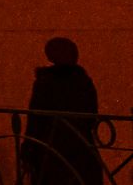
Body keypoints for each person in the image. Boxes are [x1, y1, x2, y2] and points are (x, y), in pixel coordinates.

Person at [22, 37, 101, 185]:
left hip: (50, 151)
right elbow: (91, 116)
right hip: (80, 151)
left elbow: (35, 119)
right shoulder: (83, 81)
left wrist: (28, 149)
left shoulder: (45, 82)